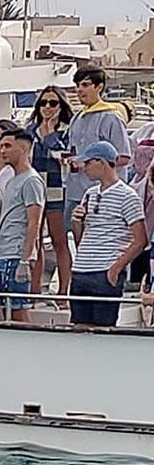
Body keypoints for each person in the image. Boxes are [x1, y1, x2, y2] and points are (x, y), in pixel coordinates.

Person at [68, 141, 147, 329]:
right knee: (79, 328)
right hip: (81, 269)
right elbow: (81, 238)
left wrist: (115, 268)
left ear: (102, 162)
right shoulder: (89, 194)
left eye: (88, 163)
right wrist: (77, 222)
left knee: (103, 330)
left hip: (104, 271)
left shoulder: (128, 196)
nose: (84, 168)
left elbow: (140, 239)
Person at [0, 122, 46, 321]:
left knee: (18, 310)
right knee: (5, 309)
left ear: (23, 149)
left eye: (7, 146)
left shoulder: (31, 180)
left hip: (16, 253)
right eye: (1, 146)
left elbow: (34, 222)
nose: (2, 151)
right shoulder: (13, 180)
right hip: (2, 252)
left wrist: (25, 259)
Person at [64, 65, 132, 229]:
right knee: (73, 238)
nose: (80, 90)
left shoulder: (111, 117)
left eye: (85, 85)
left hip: (103, 196)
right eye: (77, 85)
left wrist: (90, 163)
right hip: (75, 192)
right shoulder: (76, 118)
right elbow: (73, 150)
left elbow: (124, 157)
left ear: (99, 87)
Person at [28, 88, 73, 294]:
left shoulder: (67, 130)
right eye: (43, 103)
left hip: (57, 189)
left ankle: (64, 292)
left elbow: (65, 157)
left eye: (52, 103)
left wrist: (50, 134)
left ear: (60, 106)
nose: (47, 107)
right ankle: (35, 290)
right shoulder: (29, 131)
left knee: (59, 240)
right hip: (35, 189)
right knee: (34, 240)